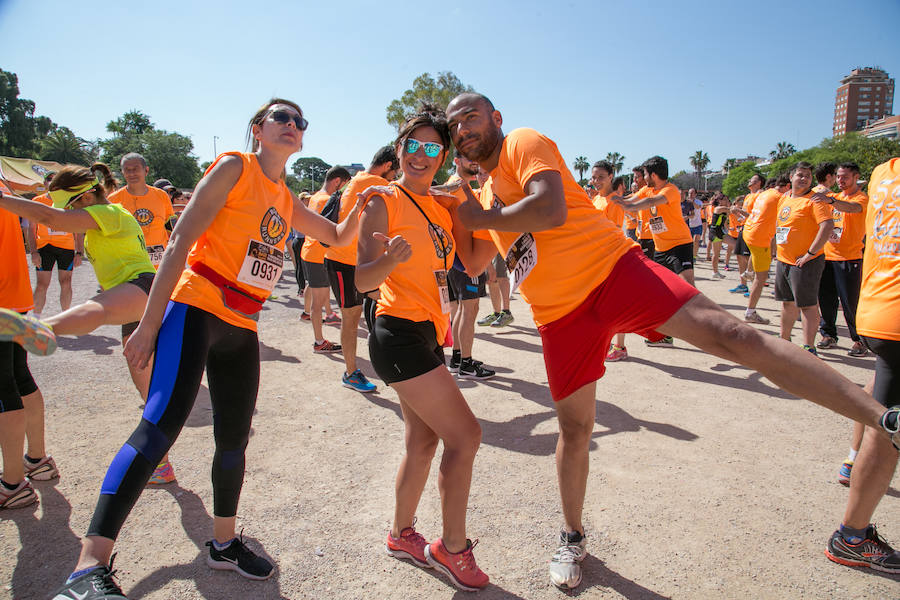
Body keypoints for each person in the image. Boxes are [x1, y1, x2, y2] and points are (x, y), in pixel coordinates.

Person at [444, 92, 899, 591]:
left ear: (495, 119)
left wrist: (479, 216)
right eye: (454, 125)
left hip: (614, 270)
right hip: (559, 316)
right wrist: (457, 205)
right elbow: (471, 262)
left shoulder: (521, 144)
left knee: (733, 333)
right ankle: (572, 534)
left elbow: (549, 209)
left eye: (471, 117)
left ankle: (885, 419)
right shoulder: (484, 199)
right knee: (575, 429)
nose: (463, 128)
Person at [49, 99, 365, 600]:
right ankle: (87, 568)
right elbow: (178, 243)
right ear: (258, 128)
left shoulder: (286, 197)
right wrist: (149, 326)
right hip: (195, 307)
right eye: (280, 117)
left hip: (243, 324)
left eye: (299, 122)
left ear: (303, 139)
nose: (291, 125)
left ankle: (223, 543)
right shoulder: (234, 167)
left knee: (234, 439)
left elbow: (337, 235)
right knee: (158, 428)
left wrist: (364, 203)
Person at [355, 105, 489, 591]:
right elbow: (362, 278)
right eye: (413, 145)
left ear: (443, 156)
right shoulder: (381, 200)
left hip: (429, 334)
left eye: (433, 148)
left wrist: (501, 222)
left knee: (423, 441)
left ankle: (400, 534)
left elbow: (472, 264)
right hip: (397, 334)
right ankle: (452, 549)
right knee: (466, 436)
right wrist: (386, 261)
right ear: (399, 150)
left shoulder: (440, 207)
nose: (421, 155)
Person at [824, 156, 900, 574]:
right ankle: (852, 535)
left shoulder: (886, 172)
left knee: (882, 405)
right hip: (895, 314)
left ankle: (853, 458)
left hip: (879, 306)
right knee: (889, 424)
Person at [0, 179, 57, 510]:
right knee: (18, 377)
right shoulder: (6, 189)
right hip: (15, 298)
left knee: (5, 387)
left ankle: (12, 483)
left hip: (4, 300)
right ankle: (37, 459)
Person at [325, 147, 399, 393]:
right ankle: (350, 373)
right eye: (395, 171)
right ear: (388, 165)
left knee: (381, 302)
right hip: (344, 261)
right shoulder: (375, 182)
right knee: (351, 316)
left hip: (353, 261)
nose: (395, 177)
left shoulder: (356, 180)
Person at [774, 161, 834, 354]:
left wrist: (810, 254)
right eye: (800, 174)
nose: (804, 178)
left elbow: (827, 227)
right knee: (787, 302)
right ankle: (784, 338)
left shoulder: (815, 200)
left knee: (807, 305)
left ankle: (809, 346)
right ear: (791, 177)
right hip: (785, 259)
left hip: (805, 261)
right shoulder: (784, 198)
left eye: (808, 176)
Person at [445, 153, 495, 379]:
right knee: (470, 310)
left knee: (463, 309)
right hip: (465, 262)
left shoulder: (454, 186)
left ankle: (457, 357)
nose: (475, 161)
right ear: (456, 161)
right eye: (468, 158)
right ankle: (465, 362)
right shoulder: (455, 187)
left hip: (458, 262)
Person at [817, 162, 868, 357]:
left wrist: (830, 201)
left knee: (850, 302)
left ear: (856, 177)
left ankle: (859, 340)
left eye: (845, 177)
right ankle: (828, 335)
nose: (840, 180)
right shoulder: (835, 197)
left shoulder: (861, 198)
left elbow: (853, 209)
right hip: (828, 256)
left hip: (850, 257)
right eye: (838, 177)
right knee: (826, 300)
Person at [302, 166, 351, 352]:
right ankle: (319, 341)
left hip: (310, 252)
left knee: (317, 299)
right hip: (318, 255)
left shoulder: (315, 197)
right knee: (319, 301)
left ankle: (318, 338)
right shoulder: (326, 200)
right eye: (344, 185)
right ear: (337, 181)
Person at [26, 172, 84, 319]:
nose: (52, 183)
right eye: (49, 180)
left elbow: (78, 229)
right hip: (45, 247)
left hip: (66, 247)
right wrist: (33, 252)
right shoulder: (37, 201)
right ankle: (36, 319)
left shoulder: (70, 202)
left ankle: (65, 317)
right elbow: (31, 229)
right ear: (44, 183)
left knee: (66, 282)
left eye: (56, 180)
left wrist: (79, 252)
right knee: (42, 284)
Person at [109, 153, 176, 269]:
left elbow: (170, 225)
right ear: (122, 172)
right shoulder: (113, 200)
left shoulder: (161, 196)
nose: (132, 173)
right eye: (127, 170)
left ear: (146, 170)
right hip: (129, 263)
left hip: (159, 262)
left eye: (136, 169)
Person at [741, 174, 790, 324]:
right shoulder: (780, 197)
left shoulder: (765, 193)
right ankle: (750, 311)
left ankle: (749, 272)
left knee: (757, 267)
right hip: (759, 239)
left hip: (750, 233)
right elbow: (785, 221)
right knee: (761, 278)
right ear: (787, 186)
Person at [684, 187, 704, 258]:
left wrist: (692, 202)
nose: (690, 194)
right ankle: (689, 255)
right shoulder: (685, 202)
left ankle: (694, 256)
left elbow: (698, 207)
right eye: (689, 193)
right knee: (689, 242)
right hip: (688, 225)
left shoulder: (699, 202)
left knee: (696, 241)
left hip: (697, 224)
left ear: (695, 194)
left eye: (692, 193)